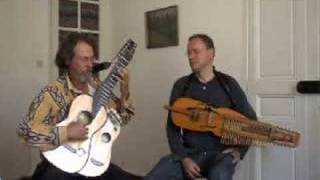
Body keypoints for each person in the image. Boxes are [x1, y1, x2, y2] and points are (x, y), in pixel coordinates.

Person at [17, 33, 141, 180]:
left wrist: (125, 90)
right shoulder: (52, 93)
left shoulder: (98, 88)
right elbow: (25, 132)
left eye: (92, 59)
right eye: (84, 59)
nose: (90, 65)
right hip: (60, 164)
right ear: (68, 60)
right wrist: (65, 132)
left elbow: (123, 119)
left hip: (92, 162)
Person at [145, 34, 257, 180]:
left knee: (220, 175)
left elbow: (251, 121)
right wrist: (184, 158)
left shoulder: (229, 84)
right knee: (156, 174)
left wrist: (240, 151)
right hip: (189, 154)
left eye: (196, 51)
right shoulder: (181, 85)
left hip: (220, 156)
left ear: (211, 53)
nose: (191, 57)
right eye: (188, 52)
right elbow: (172, 128)